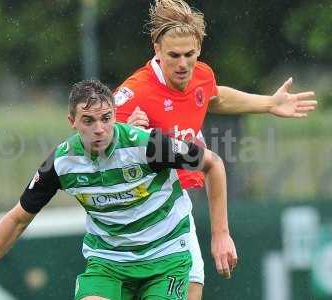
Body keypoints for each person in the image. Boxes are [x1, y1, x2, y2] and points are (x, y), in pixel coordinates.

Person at [0, 79, 237, 300]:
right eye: (88, 121)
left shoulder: (147, 145)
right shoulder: (62, 162)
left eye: (106, 118)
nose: (99, 129)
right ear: (72, 122)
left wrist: (220, 235)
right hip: (109, 262)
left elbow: (212, 163)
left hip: (166, 256)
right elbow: (17, 219)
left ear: (114, 115)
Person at [114, 1, 317, 299]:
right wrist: (125, 132)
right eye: (173, 56)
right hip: (133, 216)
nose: (183, 64)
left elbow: (213, 97)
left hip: (175, 207)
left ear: (198, 49)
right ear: (156, 49)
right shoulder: (134, 93)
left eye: (190, 55)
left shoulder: (201, 76)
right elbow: (95, 143)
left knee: (192, 289)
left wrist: (269, 104)